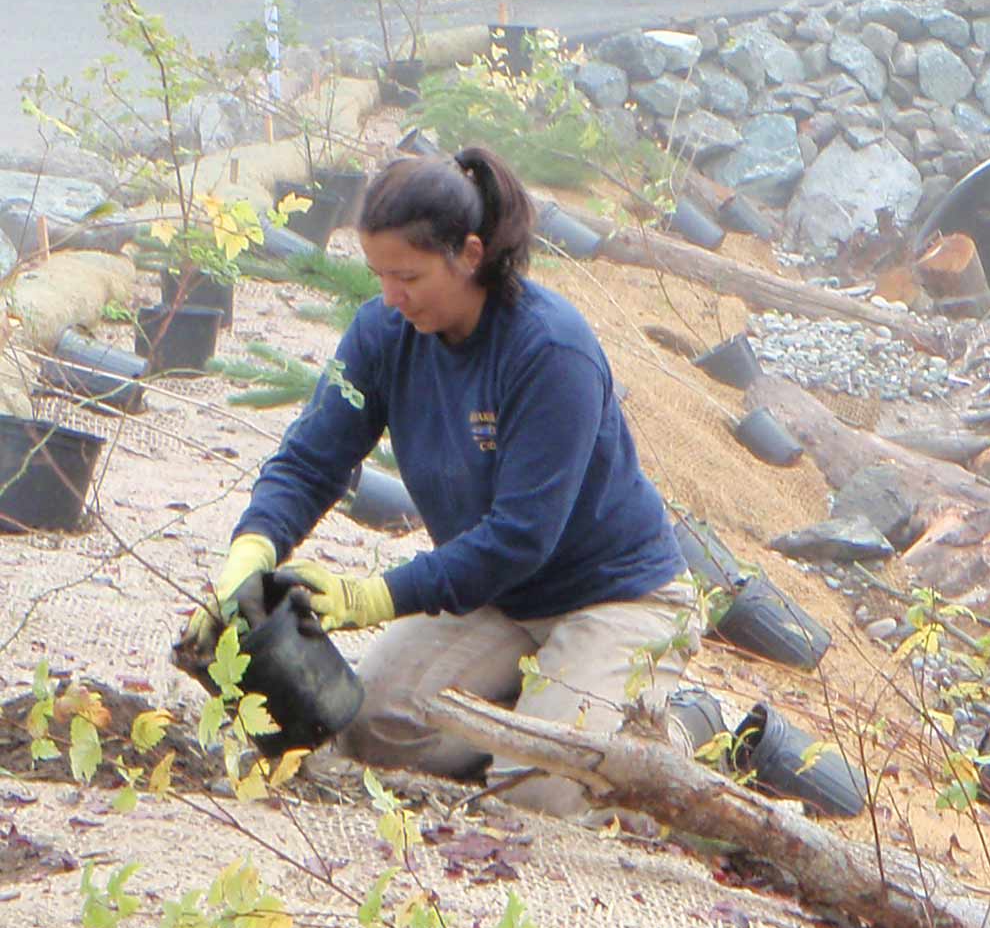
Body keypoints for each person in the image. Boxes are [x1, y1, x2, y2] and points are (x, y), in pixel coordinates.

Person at [176, 146, 692, 818]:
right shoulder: (384, 333)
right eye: (378, 274)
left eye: (409, 276)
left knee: (539, 793)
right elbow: (312, 461)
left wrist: (370, 596)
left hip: (615, 596)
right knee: (372, 731)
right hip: (498, 600)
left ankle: (677, 730)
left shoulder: (548, 351)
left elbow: (520, 538)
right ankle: (537, 711)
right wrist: (250, 551)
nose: (391, 296)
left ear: (469, 255)